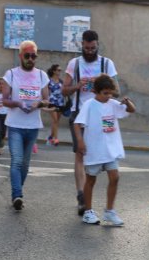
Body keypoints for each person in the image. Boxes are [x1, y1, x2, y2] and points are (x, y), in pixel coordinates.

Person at [62, 29, 120, 215]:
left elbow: (117, 91)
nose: (89, 51)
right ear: (82, 45)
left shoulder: (107, 63)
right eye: (86, 48)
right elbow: (63, 90)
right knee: (80, 153)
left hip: (101, 114)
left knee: (103, 154)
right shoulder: (74, 63)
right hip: (79, 112)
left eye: (92, 48)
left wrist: (100, 83)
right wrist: (77, 86)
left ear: (97, 45)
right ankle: (81, 195)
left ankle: (92, 195)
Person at [74, 74, 135, 225]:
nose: (108, 96)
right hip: (95, 149)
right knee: (91, 180)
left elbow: (131, 110)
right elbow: (77, 124)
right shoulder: (89, 105)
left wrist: (128, 102)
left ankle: (109, 211)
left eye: (110, 93)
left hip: (111, 150)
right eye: (105, 93)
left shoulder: (113, 104)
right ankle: (88, 211)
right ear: (96, 91)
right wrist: (80, 142)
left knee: (115, 177)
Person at [1, 40, 49, 211]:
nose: (30, 59)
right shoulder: (11, 74)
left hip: (33, 125)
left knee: (26, 164)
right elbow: (4, 100)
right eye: (27, 55)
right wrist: (18, 104)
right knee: (17, 161)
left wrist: (38, 104)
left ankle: (17, 191)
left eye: (33, 56)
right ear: (21, 56)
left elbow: (46, 99)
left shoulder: (42, 75)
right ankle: (17, 195)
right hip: (15, 125)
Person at [46, 64, 65, 146]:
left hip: (60, 103)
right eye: (58, 70)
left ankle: (50, 137)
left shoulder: (61, 81)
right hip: (52, 103)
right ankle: (55, 139)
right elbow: (46, 92)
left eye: (60, 70)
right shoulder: (49, 81)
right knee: (55, 120)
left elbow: (64, 92)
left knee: (56, 122)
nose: (60, 72)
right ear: (54, 71)